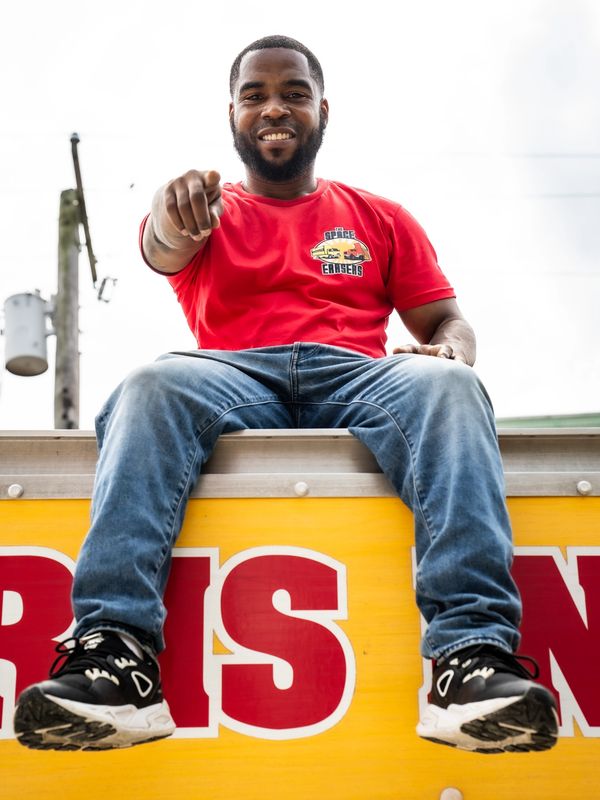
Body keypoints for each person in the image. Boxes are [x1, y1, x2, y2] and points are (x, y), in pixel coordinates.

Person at [14, 34, 558, 754]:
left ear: (322, 110)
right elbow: (163, 244)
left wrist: (451, 349)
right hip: (233, 374)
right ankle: (115, 662)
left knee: (452, 387)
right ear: (232, 115)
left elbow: (446, 322)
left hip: (357, 374)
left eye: (294, 93)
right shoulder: (204, 209)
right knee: (148, 384)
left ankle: (469, 661)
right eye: (255, 95)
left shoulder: (380, 217)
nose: (274, 107)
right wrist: (172, 212)